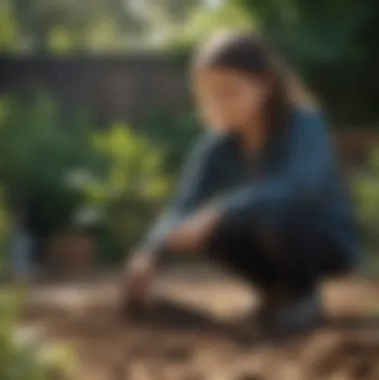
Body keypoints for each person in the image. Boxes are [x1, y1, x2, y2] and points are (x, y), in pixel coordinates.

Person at [121, 30, 360, 330]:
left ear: (265, 85)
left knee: (270, 213)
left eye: (229, 91)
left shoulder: (305, 125)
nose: (217, 104)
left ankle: (301, 295)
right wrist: (150, 252)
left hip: (323, 240)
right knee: (210, 227)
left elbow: (299, 186)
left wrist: (220, 210)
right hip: (267, 232)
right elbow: (185, 204)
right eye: (207, 95)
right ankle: (273, 294)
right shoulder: (216, 146)